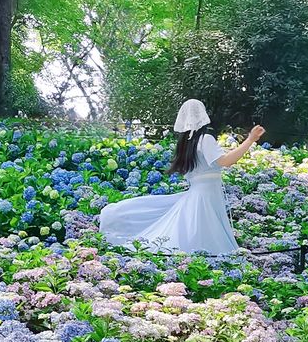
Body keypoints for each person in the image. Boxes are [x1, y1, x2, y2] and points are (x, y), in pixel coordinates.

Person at [99, 99, 266, 255]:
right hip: (206, 197)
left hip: (199, 194)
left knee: (194, 232)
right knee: (204, 235)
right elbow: (226, 161)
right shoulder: (205, 138)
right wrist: (250, 139)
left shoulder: (185, 143)